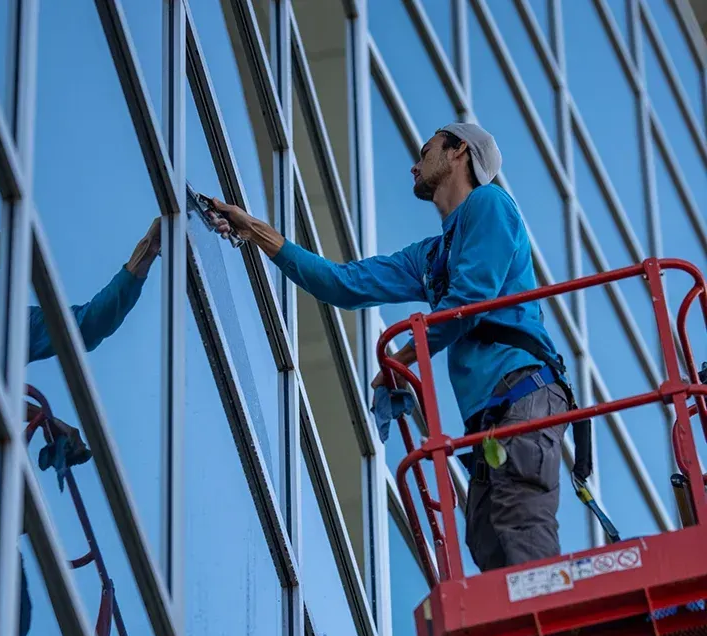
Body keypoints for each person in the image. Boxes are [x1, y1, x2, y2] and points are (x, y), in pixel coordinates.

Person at [208, 123, 570, 574]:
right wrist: (255, 231)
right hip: (492, 415)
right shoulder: (432, 256)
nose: (415, 165)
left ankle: (554, 633)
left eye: (428, 150)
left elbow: (471, 300)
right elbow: (342, 284)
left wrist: (402, 358)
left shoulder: (490, 204)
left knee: (518, 517)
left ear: (459, 153)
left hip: (524, 390)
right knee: (485, 538)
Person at [0, 203, 161, 636]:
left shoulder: (1, 321)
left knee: (12, 613)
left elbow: (80, 326)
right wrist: (40, 417)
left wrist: (146, 254)